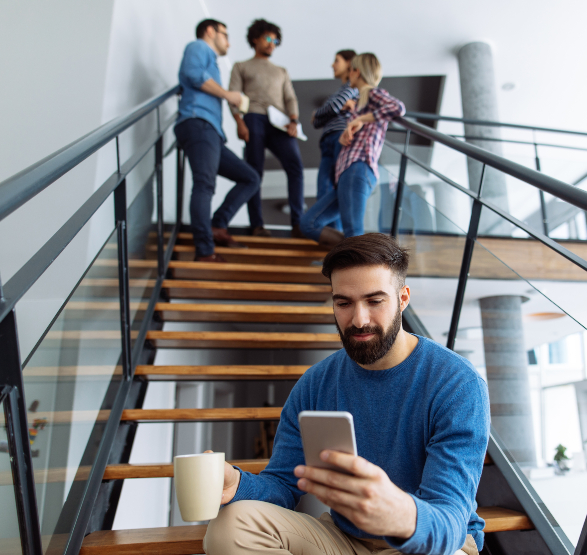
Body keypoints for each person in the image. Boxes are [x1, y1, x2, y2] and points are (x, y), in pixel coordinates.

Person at [205, 233, 491, 555]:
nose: (359, 319)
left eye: (374, 301)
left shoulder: (456, 382)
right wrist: (238, 484)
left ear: (403, 298)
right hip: (344, 540)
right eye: (343, 303)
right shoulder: (315, 384)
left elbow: (450, 522)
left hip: (425, 542)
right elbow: (283, 485)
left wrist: (398, 512)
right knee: (231, 525)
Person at [174, 19, 261, 262]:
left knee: (250, 178)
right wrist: (227, 94)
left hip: (210, 132)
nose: (229, 42)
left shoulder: (211, 59)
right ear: (210, 31)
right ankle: (204, 251)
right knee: (205, 184)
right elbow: (192, 74)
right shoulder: (199, 47)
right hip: (198, 124)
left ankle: (218, 225)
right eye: (225, 34)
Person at [300, 54, 405, 247]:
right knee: (309, 223)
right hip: (347, 173)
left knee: (353, 231)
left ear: (356, 71)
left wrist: (359, 120)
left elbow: (398, 107)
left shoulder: (373, 93)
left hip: (358, 168)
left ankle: (360, 254)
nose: (349, 75)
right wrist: (345, 135)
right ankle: (355, 250)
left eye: (351, 71)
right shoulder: (360, 104)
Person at [229, 19, 305, 238]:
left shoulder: (281, 71)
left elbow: (290, 98)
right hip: (253, 118)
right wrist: (239, 122)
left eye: (276, 40)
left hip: (280, 122)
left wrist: (293, 120)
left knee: (296, 168)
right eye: (268, 38)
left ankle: (298, 224)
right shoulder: (241, 66)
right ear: (255, 39)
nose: (272, 43)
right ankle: (257, 225)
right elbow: (234, 97)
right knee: (254, 171)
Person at [311, 50, 359, 231]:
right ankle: (333, 244)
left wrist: (321, 111)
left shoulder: (352, 87)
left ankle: (337, 245)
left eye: (336, 60)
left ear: (349, 63)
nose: (333, 64)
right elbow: (317, 122)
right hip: (328, 142)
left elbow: (330, 107)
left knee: (335, 191)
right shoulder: (343, 91)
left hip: (340, 138)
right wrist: (332, 108)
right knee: (323, 192)